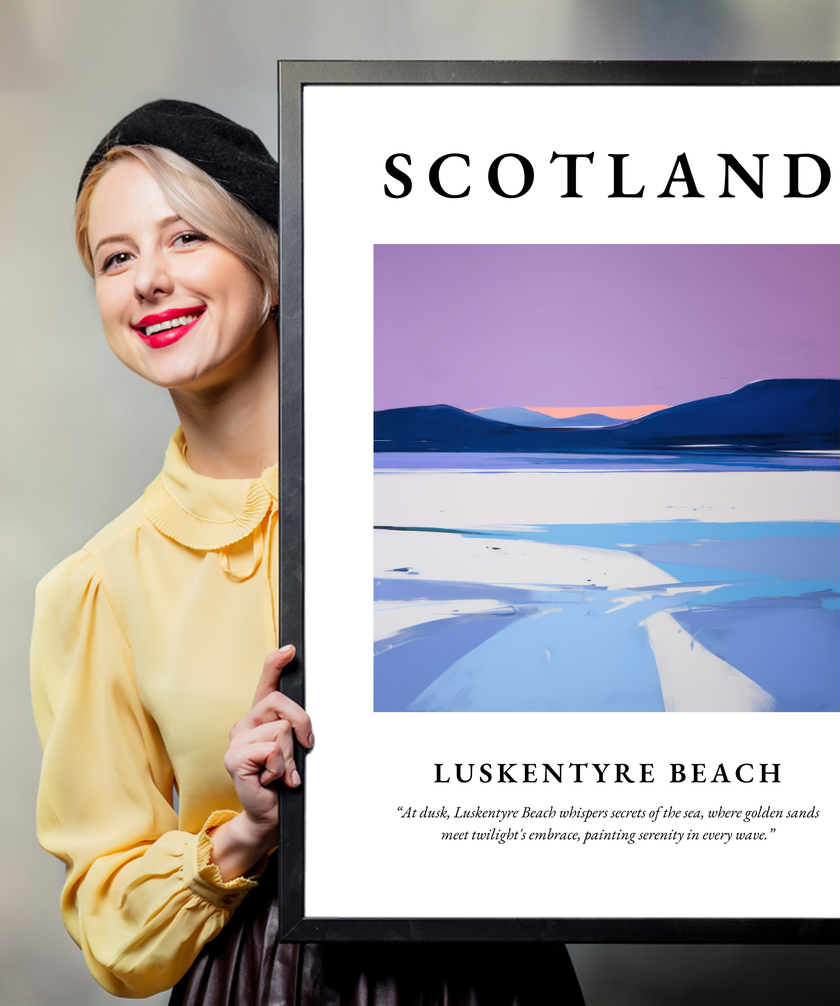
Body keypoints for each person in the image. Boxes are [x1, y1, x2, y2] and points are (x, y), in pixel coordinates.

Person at [30, 100, 585, 1004]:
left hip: (492, 972)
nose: (148, 281)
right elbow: (110, 923)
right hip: (263, 982)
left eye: (186, 238)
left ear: (273, 263)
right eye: (116, 257)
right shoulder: (98, 587)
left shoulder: (450, 494)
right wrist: (245, 832)